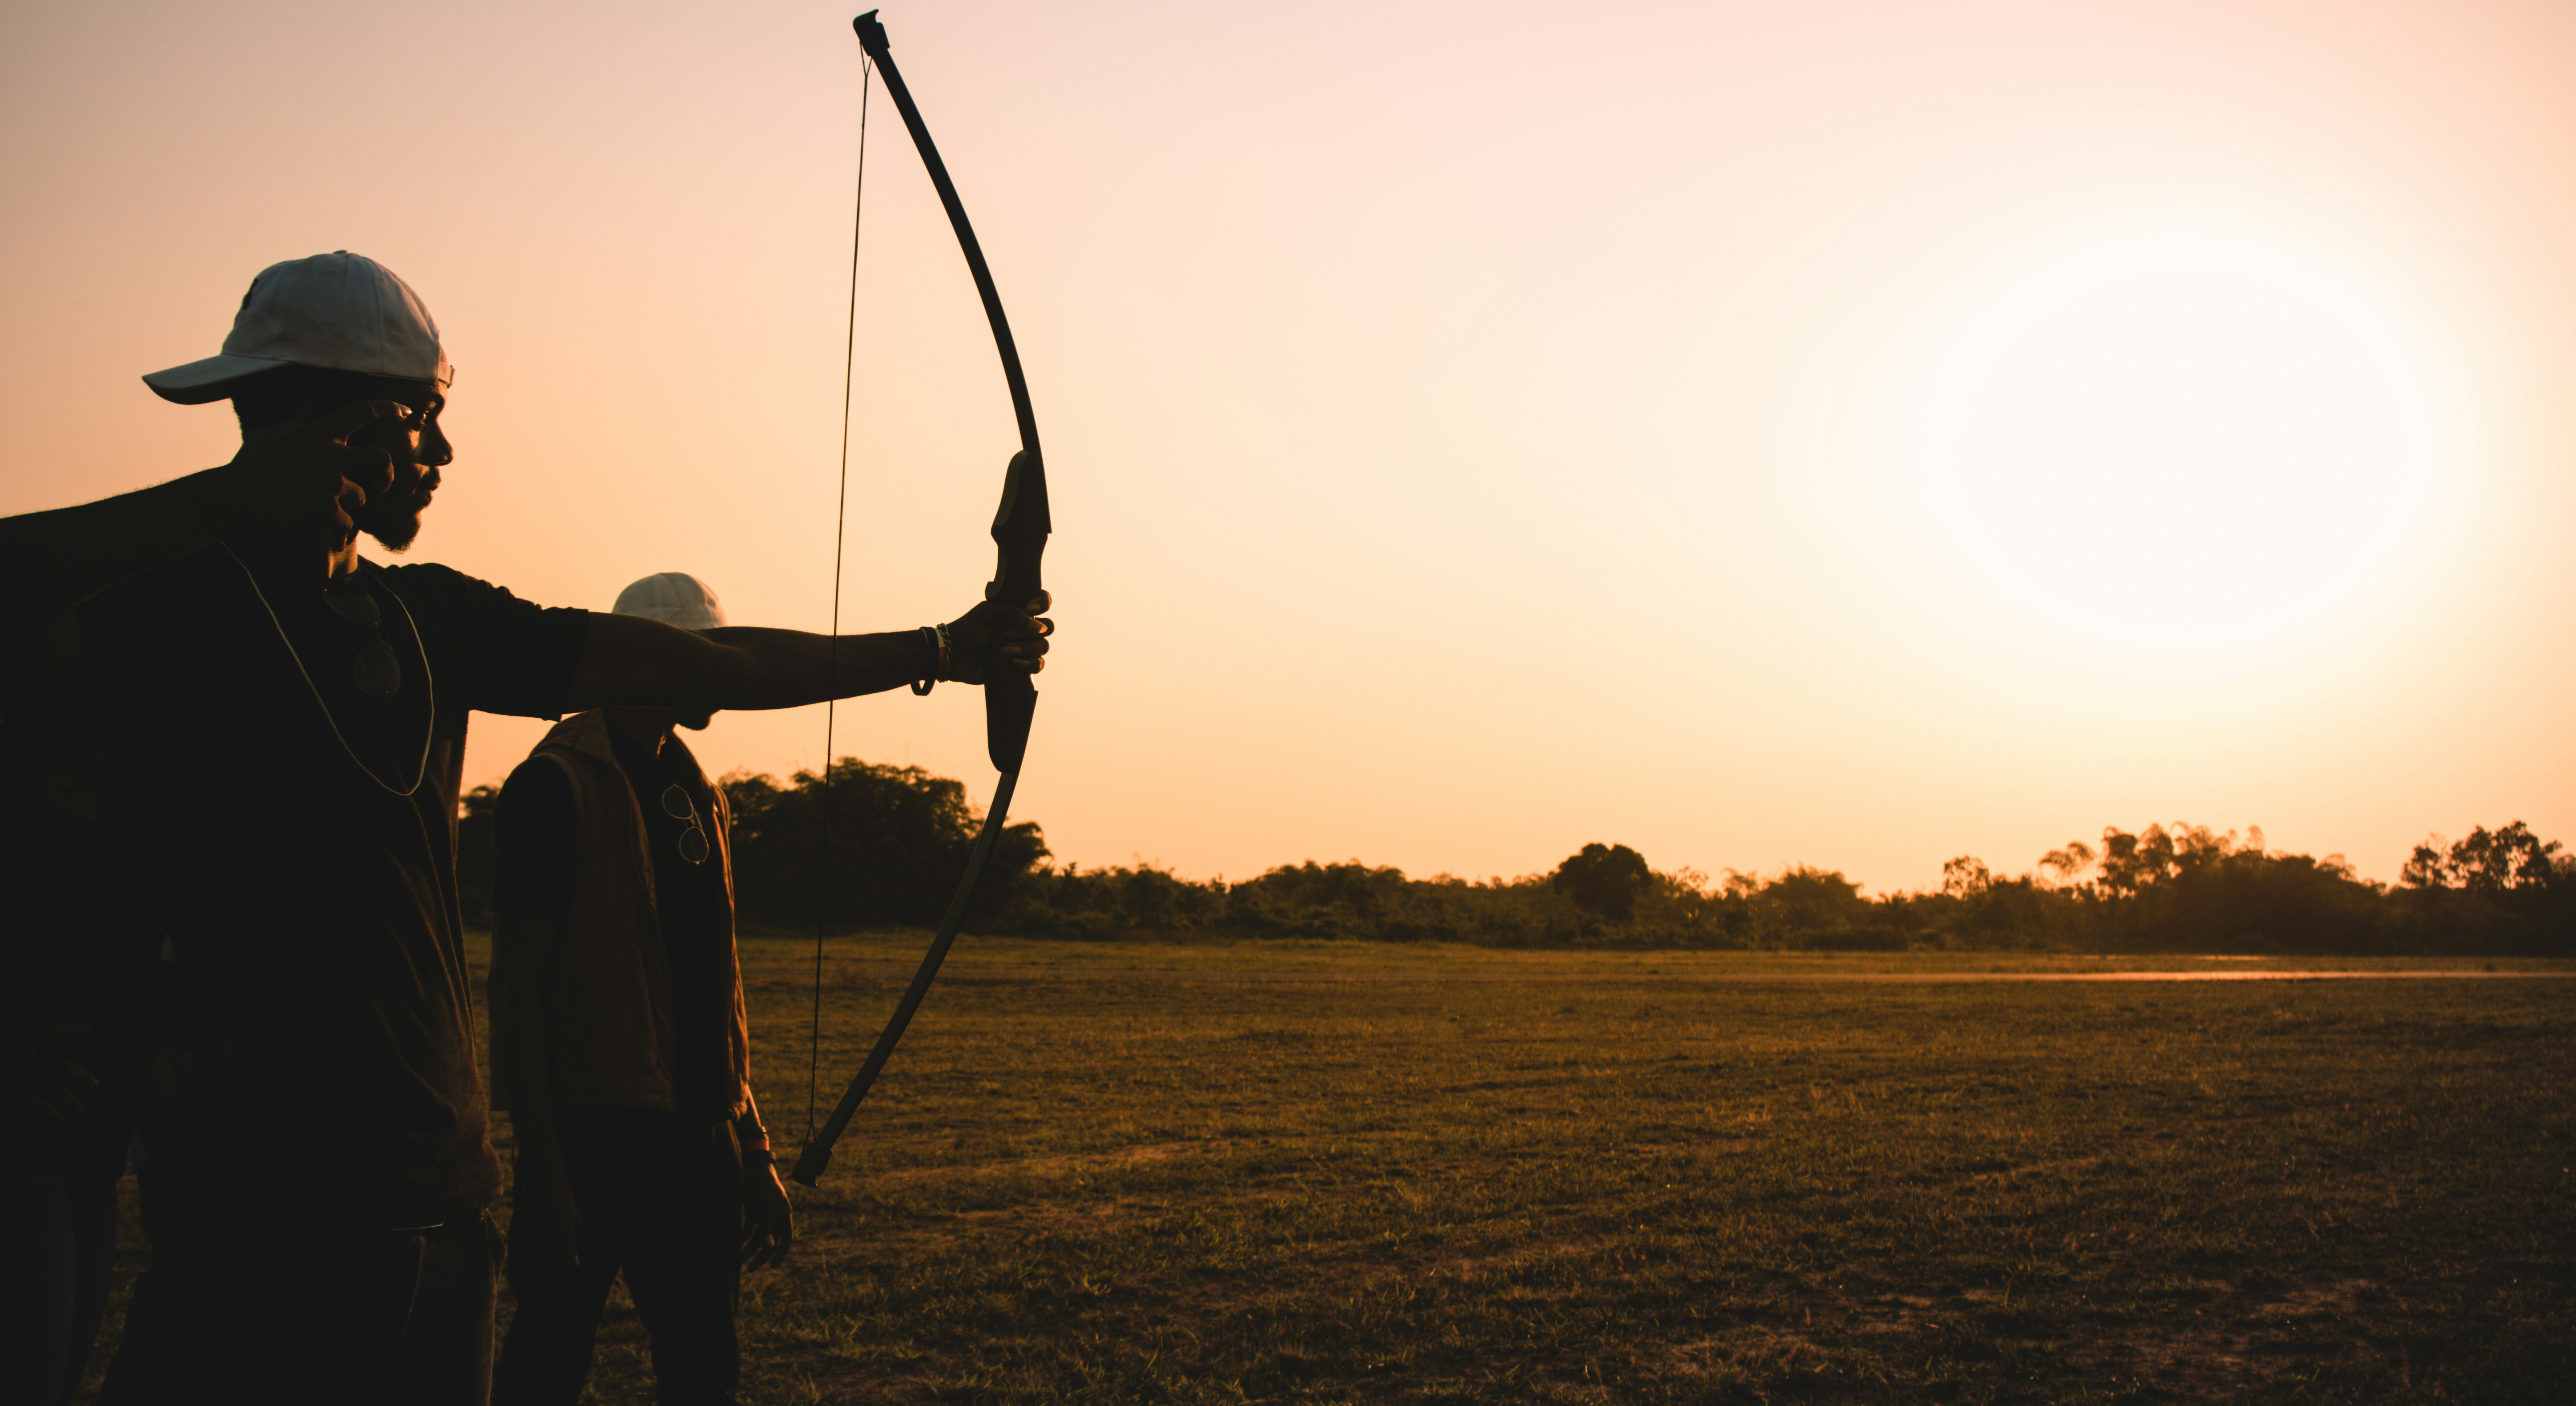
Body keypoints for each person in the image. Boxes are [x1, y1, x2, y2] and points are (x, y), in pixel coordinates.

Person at [0, 251, 1052, 1405]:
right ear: (341, 423)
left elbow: (709, 660)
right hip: (262, 1219)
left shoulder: (428, 619)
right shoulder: (161, 612)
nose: (444, 454)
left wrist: (940, 652)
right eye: (425, 419)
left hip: (443, 1209)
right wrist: (221, 502)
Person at [489, 572, 788, 1404]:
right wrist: (543, 1175)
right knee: (549, 1356)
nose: (721, 677)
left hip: (701, 1138)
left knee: (703, 1364)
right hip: (595, 1138)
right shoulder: (554, 787)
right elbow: (518, 993)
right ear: (651, 660)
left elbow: (712, 987)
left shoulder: (702, 793)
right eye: (706, 656)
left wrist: (752, 1146)